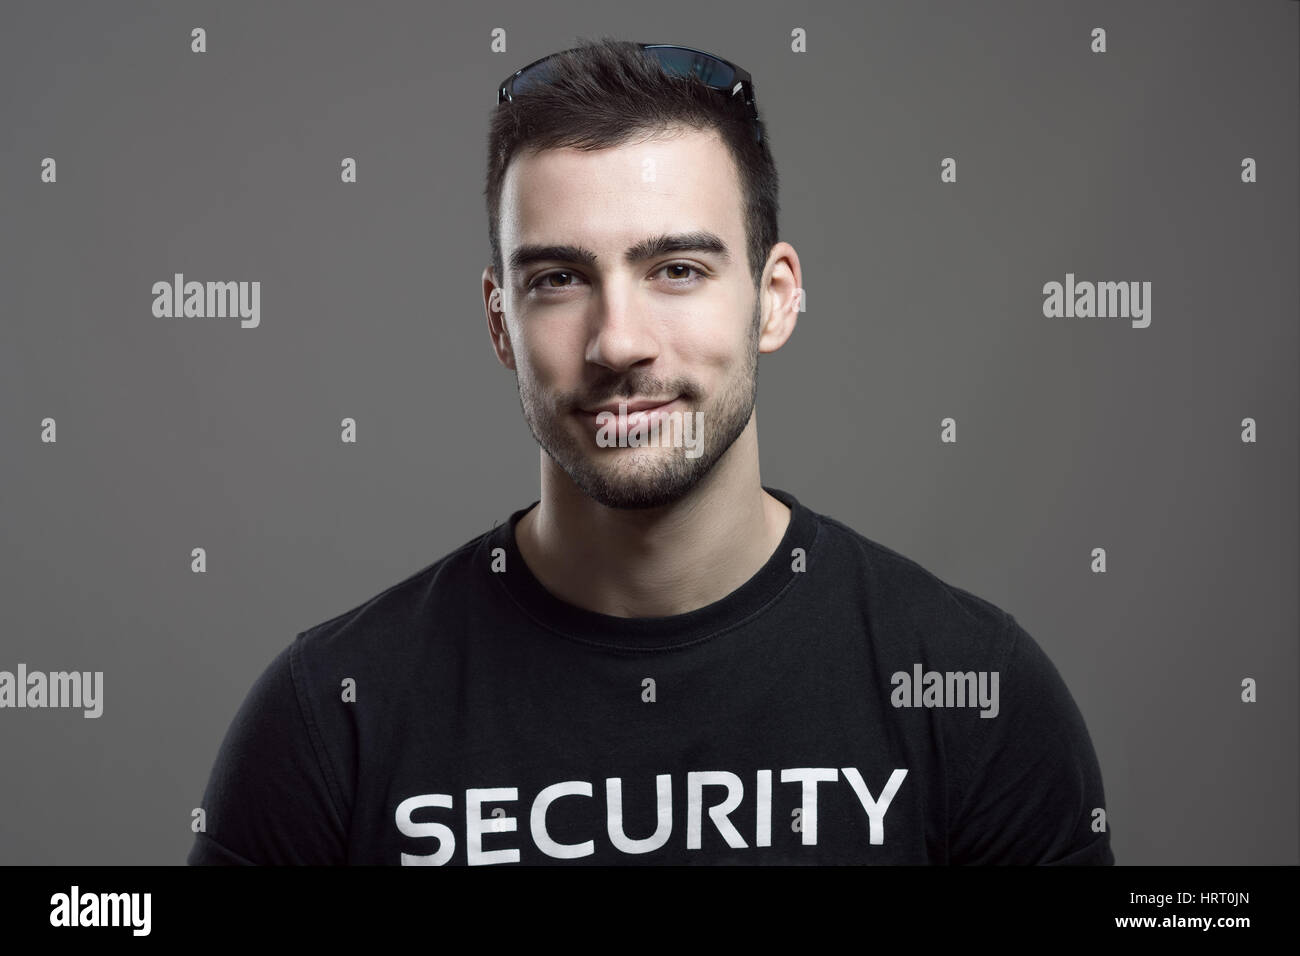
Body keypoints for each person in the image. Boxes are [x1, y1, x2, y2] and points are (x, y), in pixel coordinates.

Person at [188, 37, 1113, 865]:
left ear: (775, 295)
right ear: (500, 321)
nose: (618, 341)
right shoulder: (332, 718)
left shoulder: (970, 693)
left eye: (677, 270)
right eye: (558, 279)